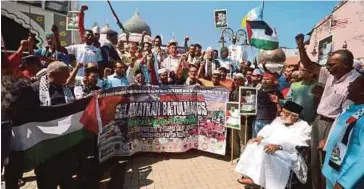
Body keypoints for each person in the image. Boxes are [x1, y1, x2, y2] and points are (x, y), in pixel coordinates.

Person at [296, 34, 360, 189]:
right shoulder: (330, 74)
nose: (327, 68)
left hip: (336, 127)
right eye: (328, 65)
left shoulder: (356, 83)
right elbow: (309, 65)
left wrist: (332, 138)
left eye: (332, 65)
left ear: (345, 64)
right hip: (319, 122)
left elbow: (350, 117)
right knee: (315, 164)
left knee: (330, 165)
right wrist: (300, 46)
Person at [235, 101, 311, 189]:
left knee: (267, 153)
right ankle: (251, 177)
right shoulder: (279, 120)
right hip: (269, 145)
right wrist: (259, 137)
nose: (281, 114)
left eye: (284, 112)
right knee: (253, 145)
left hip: (287, 152)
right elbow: (268, 129)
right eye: (281, 111)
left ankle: (262, 182)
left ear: (293, 116)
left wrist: (279, 147)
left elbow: (299, 143)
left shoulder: (304, 127)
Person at [321, 74, 364, 189]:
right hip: (333, 171)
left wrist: (344, 182)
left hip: (348, 179)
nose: (349, 84)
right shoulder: (353, 109)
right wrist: (329, 140)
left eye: (354, 83)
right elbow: (343, 132)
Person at [253, 72, 283, 138]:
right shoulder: (259, 91)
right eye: (263, 79)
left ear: (273, 81)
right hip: (258, 120)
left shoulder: (277, 93)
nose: (264, 81)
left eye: (267, 79)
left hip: (269, 122)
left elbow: (280, 107)